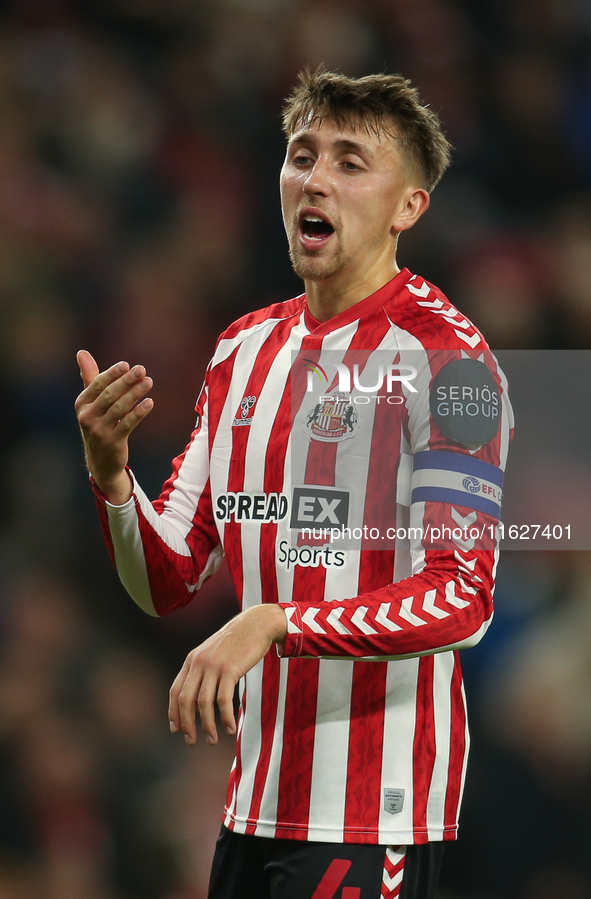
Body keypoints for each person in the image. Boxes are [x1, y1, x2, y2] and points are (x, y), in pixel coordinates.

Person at [75, 69, 512, 899]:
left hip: (370, 810)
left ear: (407, 206)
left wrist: (275, 621)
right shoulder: (242, 350)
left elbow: (462, 597)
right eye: (301, 155)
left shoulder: (453, 364)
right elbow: (166, 580)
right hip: (251, 802)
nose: (314, 178)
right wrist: (111, 475)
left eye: (351, 163)